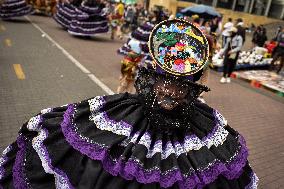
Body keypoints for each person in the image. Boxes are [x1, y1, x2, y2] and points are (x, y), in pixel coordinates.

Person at [0, 19, 258, 189]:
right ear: (153, 77)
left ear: (193, 88)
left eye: (182, 86)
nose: (170, 91)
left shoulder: (210, 132)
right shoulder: (120, 112)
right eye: (164, 81)